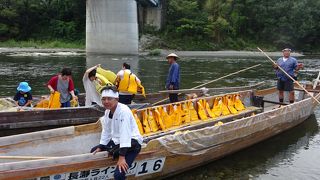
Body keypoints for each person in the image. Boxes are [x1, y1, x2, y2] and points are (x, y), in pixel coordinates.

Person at [91, 86, 143, 180]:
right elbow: (106, 131)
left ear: (117, 99)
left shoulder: (124, 111)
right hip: (117, 141)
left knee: (118, 175)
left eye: (109, 99)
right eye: (103, 99)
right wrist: (101, 145)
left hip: (132, 142)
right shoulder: (107, 112)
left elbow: (125, 134)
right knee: (93, 151)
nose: (106, 101)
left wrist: (122, 157)